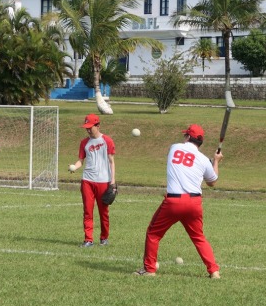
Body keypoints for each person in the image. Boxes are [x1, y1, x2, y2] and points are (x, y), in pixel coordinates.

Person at [135, 124, 223, 278]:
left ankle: (149, 270)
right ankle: (214, 271)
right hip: (194, 203)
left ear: (188, 137)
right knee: (199, 237)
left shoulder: (174, 148)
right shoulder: (203, 160)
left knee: (153, 233)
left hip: (174, 202)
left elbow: (185, 161)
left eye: (185, 135)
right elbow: (212, 181)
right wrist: (216, 161)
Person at [69, 113, 116, 247]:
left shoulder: (107, 141)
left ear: (98, 125)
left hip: (103, 181)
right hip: (87, 181)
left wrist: (112, 181)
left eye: (90, 127)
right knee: (88, 211)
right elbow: (80, 161)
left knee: (103, 212)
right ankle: (88, 239)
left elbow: (112, 162)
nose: (88, 130)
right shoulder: (84, 142)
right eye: (86, 128)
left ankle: (104, 237)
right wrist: (74, 168)